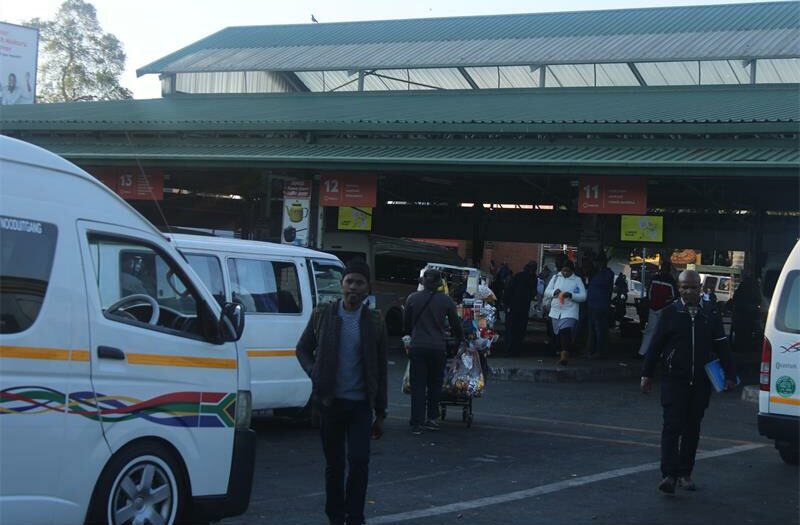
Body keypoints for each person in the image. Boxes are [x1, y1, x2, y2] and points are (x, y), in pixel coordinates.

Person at [296, 259, 388, 525]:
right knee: (334, 466)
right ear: (341, 285)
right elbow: (302, 349)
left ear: (368, 288)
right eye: (350, 282)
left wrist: (380, 412)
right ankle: (335, 517)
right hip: (331, 404)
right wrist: (314, 372)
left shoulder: (374, 320)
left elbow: (380, 369)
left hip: (360, 406)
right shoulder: (324, 314)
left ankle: (355, 516)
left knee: (359, 462)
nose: (354, 288)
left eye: (360, 283)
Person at [640, 270, 735, 495]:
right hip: (674, 380)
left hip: (701, 382)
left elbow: (721, 345)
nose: (687, 291)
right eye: (683, 287)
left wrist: (730, 375)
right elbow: (655, 346)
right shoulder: (670, 313)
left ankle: (685, 474)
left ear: (700, 288)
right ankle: (669, 475)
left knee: (692, 428)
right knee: (672, 427)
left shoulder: (710, 313)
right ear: (679, 288)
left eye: (692, 287)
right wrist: (647, 374)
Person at [403, 269, 463, 435]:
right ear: (438, 284)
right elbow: (455, 325)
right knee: (435, 384)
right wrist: (460, 339)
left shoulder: (412, 299)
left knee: (418, 385)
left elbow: (406, 324)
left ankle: (417, 422)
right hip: (438, 347)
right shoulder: (446, 301)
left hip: (418, 346)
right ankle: (432, 419)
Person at [544, 260, 587, 365]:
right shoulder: (555, 278)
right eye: (564, 271)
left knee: (565, 332)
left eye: (568, 271)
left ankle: (564, 356)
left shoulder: (577, 280)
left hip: (570, 310)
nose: (565, 273)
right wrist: (554, 292)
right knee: (556, 333)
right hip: (555, 311)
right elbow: (547, 292)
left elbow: (583, 296)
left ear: (572, 271)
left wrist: (571, 295)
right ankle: (558, 350)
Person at [504, 262, 537, 356]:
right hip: (524, 307)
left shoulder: (518, 276)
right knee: (520, 329)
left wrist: (506, 304)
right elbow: (533, 293)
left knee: (510, 328)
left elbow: (509, 289)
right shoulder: (533, 279)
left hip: (513, 306)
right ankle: (516, 348)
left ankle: (509, 348)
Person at [586, 255, 615, 357]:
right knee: (592, 329)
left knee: (599, 329)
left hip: (601, 305)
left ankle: (599, 350)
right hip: (593, 304)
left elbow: (600, 283)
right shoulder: (596, 273)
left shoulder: (607, 274)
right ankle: (591, 350)